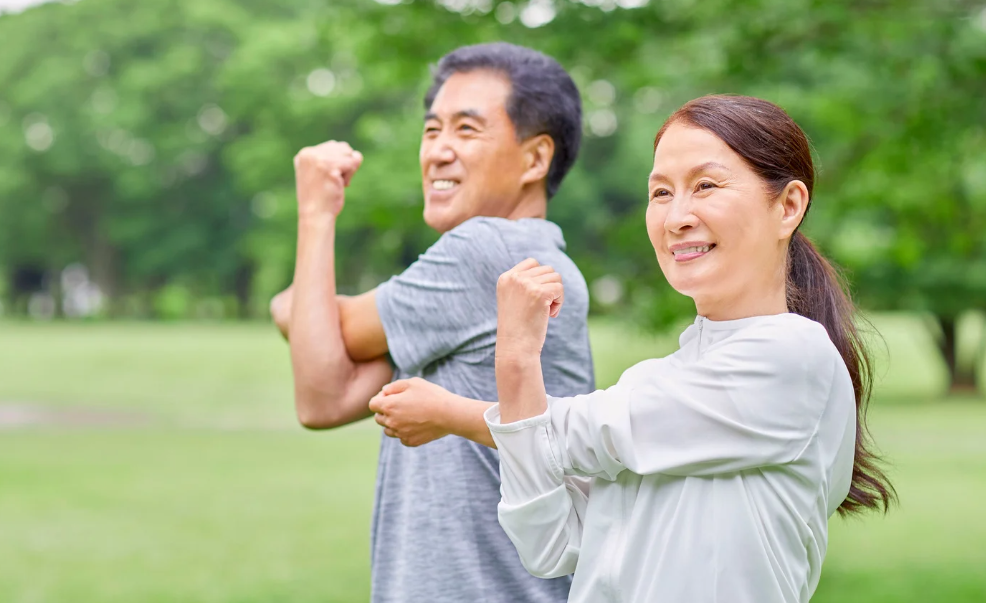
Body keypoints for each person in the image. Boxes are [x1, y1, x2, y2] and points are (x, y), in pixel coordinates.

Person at [377, 95, 895, 602]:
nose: (677, 218)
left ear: (788, 206)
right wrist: (517, 374)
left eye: (706, 186)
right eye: (661, 193)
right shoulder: (671, 376)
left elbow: (579, 435)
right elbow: (551, 541)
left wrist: (503, 367)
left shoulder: (792, 356)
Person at [269, 43, 595, 602]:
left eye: (467, 130)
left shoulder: (489, 251)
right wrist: (311, 313)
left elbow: (318, 339)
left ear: (536, 159)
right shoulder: (530, 263)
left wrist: (316, 213)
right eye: (431, 130)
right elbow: (326, 395)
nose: (439, 151)